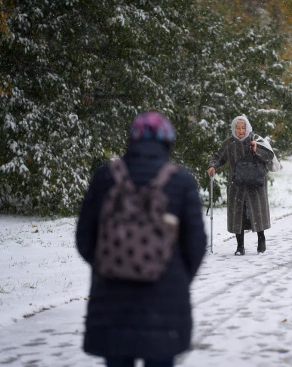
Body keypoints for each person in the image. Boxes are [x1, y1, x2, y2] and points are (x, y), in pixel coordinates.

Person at [76, 111, 206, 367]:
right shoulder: (180, 181)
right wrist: (176, 275)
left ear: (132, 140)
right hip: (164, 306)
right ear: (167, 142)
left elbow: (84, 237)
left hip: (112, 302)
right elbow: (196, 244)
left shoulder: (106, 177)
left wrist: (108, 265)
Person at [207, 115, 275, 255]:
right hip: (236, 184)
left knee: (257, 214)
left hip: (255, 185)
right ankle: (240, 246)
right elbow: (219, 157)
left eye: (243, 128)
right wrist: (213, 166)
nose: (240, 130)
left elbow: (269, 156)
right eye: (238, 128)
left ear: (248, 128)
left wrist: (256, 149)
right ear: (233, 128)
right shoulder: (229, 143)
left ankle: (261, 241)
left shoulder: (256, 139)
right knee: (238, 215)